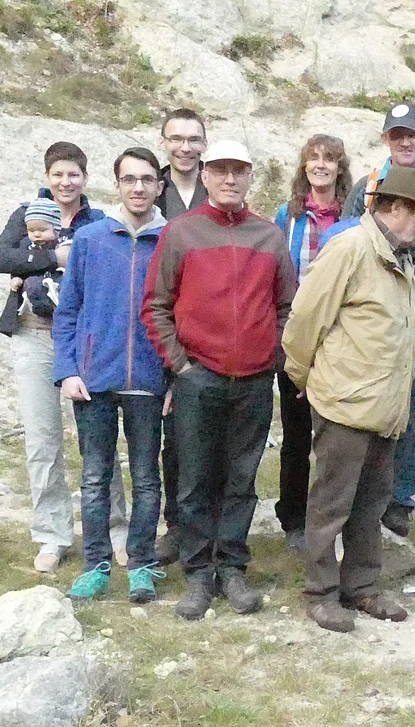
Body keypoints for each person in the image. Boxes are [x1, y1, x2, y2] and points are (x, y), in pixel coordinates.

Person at [141, 140, 297, 621]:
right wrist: (181, 365)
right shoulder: (181, 233)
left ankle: (232, 565)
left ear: (251, 178)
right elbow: (156, 304)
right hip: (198, 376)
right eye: (221, 170)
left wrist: (272, 356)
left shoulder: (269, 237)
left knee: (241, 479)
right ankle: (197, 572)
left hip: (252, 380)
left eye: (240, 171)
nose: (230, 179)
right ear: (204, 175)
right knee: (193, 481)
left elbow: (288, 306)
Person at [282, 166, 415, 632]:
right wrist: (305, 379)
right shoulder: (349, 248)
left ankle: (363, 586)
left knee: (371, 505)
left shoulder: (399, 257)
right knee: (331, 505)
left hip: (384, 409)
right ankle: (321, 592)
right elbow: (304, 321)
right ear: (396, 208)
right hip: (344, 405)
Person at [329, 102, 415, 539]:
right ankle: (363, 496)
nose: (405, 141)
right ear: (385, 138)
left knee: (412, 408)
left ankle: (400, 499)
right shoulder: (367, 186)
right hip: (374, 311)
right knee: (371, 404)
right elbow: (347, 242)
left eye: (412, 133)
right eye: (396, 134)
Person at [0, 141, 125, 573]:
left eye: (74, 174)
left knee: (99, 439)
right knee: (42, 439)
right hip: (34, 334)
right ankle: (51, 534)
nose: (66, 182)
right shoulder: (29, 213)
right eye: (58, 174)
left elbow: (107, 268)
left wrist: (35, 264)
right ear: (47, 177)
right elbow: (0, 258)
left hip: (84, 340)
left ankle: (115, 531)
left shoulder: (99, 220)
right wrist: (53, 256)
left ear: (86, 178)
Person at [53, 147, 169, 604]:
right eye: (129, 179)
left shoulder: (172, 240)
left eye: (146, 179)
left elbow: (181, 314)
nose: (138, 188)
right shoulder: (91, 239)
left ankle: (142, 563)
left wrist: (173, 379)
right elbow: (69, 311)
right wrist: (67, 370)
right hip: (93, 380)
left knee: (145, 476)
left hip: (148, 379)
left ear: (158, 186)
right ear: (116, 184)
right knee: (95, 477)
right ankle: (96, 563)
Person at [271, 134, 353, 551]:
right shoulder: (287, 215)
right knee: (297, 433)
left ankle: (333, 516)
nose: (320, 166)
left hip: (342, 340)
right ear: (303, 168)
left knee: (336, 435)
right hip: (297, 335)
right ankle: (293, 518)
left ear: (340, 169)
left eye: (329, 160)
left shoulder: (353, 217)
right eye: (313, 159)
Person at [152, 108, 208, 567]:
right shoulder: (152, 192)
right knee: (174, 440)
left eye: (194, 139)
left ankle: (213, 524)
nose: (185, 147)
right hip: (166, 334)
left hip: (208, 335)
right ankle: (177, 526)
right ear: (163, 142)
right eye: (177, 139)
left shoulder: (219, 189)